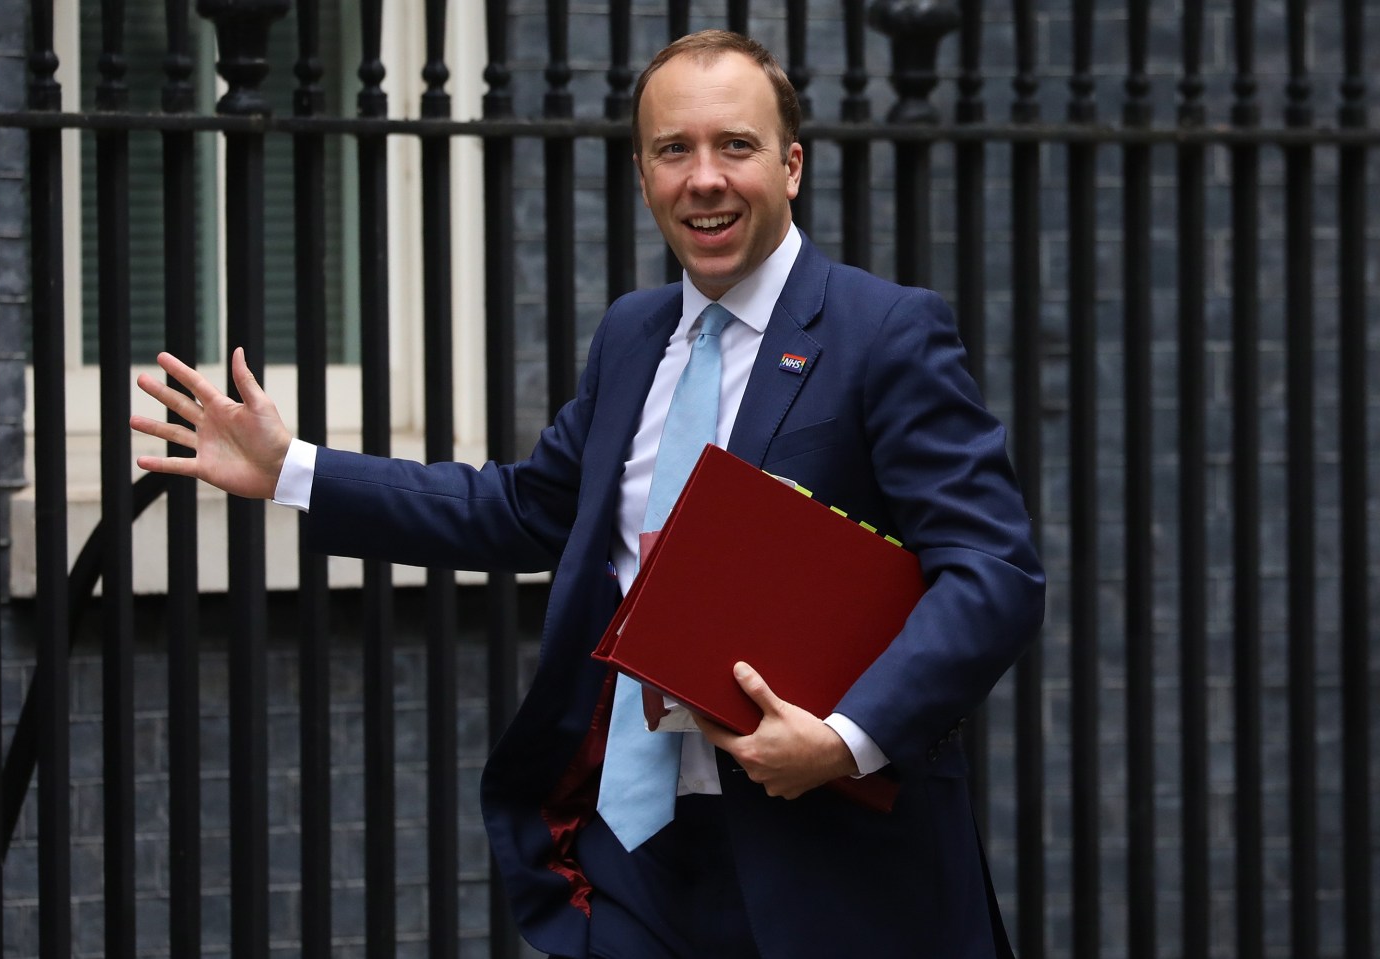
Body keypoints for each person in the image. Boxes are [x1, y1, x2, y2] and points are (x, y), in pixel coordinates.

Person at [132, 30, 1043, 959]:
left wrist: (847, 737)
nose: (706, 178)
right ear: (644, 174)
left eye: (736, 146)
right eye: (673, 150)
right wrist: (292, 467)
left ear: (791, 165)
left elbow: (994, 571)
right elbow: (524, 509)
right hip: (637, 861)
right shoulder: (632, 334)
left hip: (832, 868)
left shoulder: (883, 332)